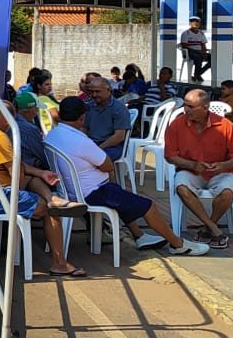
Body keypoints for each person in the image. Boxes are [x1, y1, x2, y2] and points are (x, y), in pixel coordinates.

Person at [46, 96, 210, 256]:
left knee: (119, 193)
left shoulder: (52, 135)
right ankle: (177, 245)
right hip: (91, 193)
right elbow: (108, 166)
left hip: (68, 191)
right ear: (82, 118)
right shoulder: (81, 141)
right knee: (148, 206)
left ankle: (139, 235)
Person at [0, 101, 90, 277]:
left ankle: (53, 199)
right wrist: (24, 180)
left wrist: (41, 173)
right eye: (9, 119)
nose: (9, 124)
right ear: (1, 116)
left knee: (34, 178)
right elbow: (16, 174)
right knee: (51, 212)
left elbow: (14, 165)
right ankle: (59, 263)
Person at [165, 88, 233, 248]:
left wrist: (222, 165)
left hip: (220, 172)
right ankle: (214, 229)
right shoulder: (177, 124)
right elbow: (169, 156)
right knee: (181, 187)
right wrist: (192, 165)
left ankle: (207, 227)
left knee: (227, 193)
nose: (186, 110)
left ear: (205, 107)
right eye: (185, 105)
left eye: (190, 107)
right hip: (190, 171)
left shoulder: (225, 126)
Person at [82, 76, 129, 162]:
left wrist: (98, 148)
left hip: (112, 146)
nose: (94, 95)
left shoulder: (119, 108)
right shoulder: (90, 105)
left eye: (97, 91)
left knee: (95, 159)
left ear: (108, 90)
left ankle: (108, 175)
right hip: (93, 144)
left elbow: (119, 137)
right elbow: (84, 128)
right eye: (91, 92)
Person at [12, 91, 48, 169]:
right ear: (28, 111)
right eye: (36, 108)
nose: (37, 111)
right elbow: (44, 157)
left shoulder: (9, 121)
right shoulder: (30, 129)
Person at [180, 16, 210, 83]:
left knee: (212, 58)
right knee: (198, 57)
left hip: (200, 52)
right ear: (190, 24)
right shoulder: (185, 34)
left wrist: (204, 52)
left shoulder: (201, 33)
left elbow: (203, 45)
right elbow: (184, 46)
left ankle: (197, 74)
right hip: (189, 53)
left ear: (199, 24)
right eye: (192, 22)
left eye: (197, 22)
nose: (195, 23)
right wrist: (198, 51)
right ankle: (197, 75)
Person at [31, 69, 59, 134]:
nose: (50, 87)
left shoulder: (48, 97)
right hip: (54, 130)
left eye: (50, 84)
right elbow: (56, 116)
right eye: (46, 84)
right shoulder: (42, 99)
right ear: (39, 86)